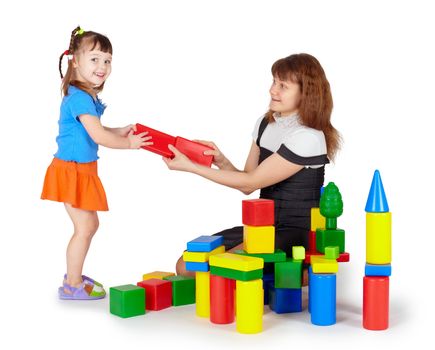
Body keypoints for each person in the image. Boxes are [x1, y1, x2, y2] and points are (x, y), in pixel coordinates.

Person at [163, 53, 341, 282]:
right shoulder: (266, 123)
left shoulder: (309, 138)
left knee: (222, 270)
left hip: (297, 231)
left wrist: (192, 168)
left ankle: (300, 271)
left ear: (305, 93)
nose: (273, 90)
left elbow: (251, 182)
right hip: (262, 227)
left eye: (283, 85)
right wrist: (221, 161)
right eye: (274, 82)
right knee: (186, 267)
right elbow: (247, 182)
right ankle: (285, 275)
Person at [41, 26, 152, 299]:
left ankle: (74, 278)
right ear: (75, 61)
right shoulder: (79, 98)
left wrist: (120, 130)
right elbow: (97, 135)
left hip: (81, 170)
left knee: (89, 226)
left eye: (107, 60)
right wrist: (128, 143)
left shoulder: (85, 96)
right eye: (95, 59)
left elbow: (95, 130)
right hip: (71, 171)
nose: (102, 66)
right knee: (85, 227)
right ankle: (72, 284)